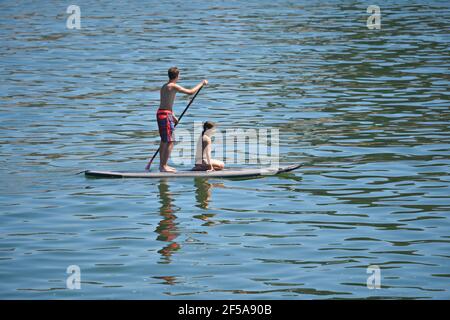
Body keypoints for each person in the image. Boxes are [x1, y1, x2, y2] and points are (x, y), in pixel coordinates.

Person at [156, 67, 207, 172]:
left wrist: (173, 115)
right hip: (165, 115)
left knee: (164, 140)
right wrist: (201, 83)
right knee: (170, 141)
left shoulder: (164, 86)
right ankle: (163, 166)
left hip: (162, 112)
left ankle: (162, 165)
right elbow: (190, 92)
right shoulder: (173, 86)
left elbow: (166, 102)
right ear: (177, 76)